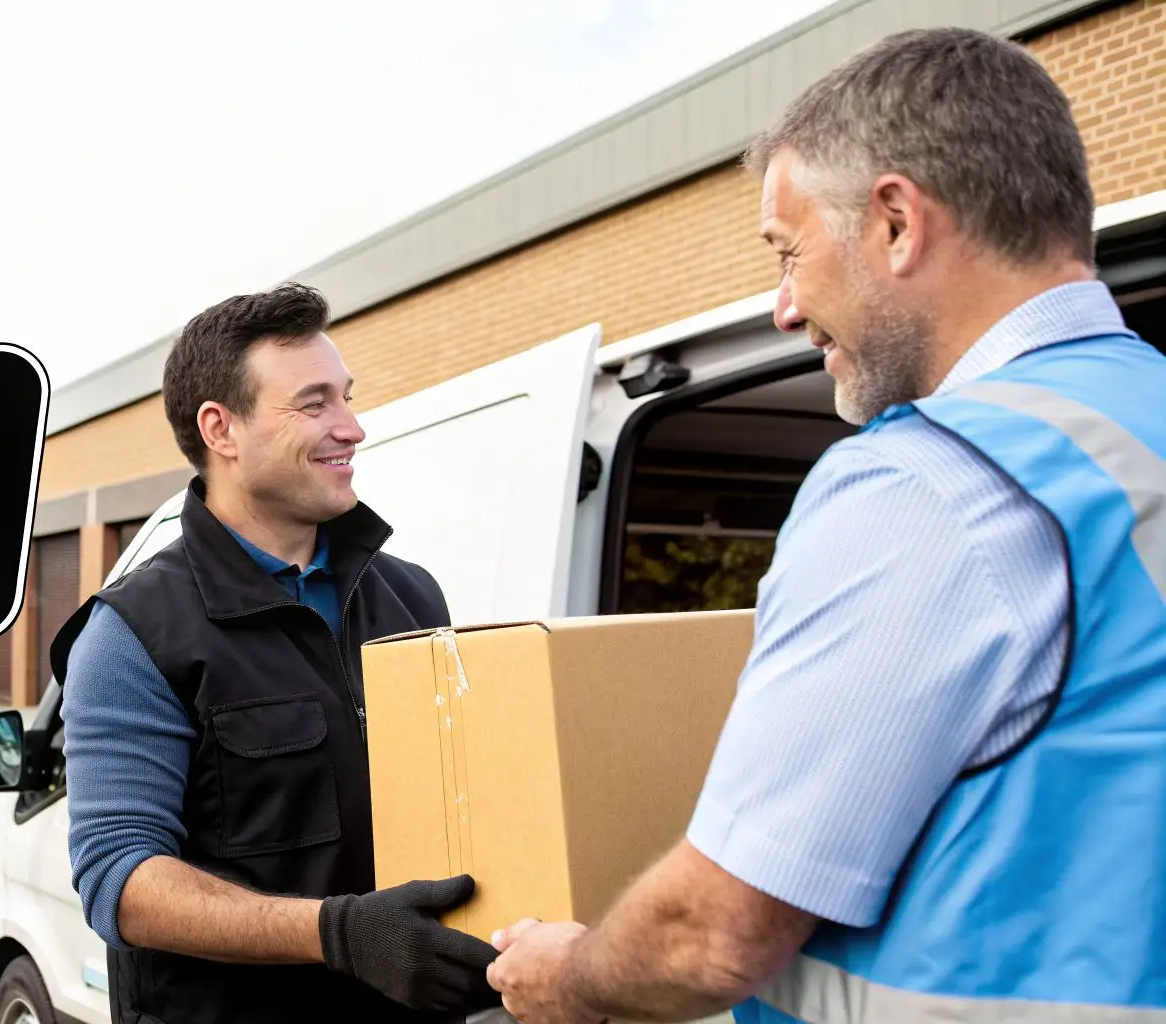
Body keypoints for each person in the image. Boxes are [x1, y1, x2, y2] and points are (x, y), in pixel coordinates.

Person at [485, 26, 1166, 1024]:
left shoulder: (924, 481)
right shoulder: (1134, 418)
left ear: (894, 222)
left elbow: (711, 935)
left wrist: (568, 974)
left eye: (787, 252)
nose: (781, 305)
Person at [48, 282, 502, 1024]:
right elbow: (118, 878)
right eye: (315, 403)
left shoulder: (416, 599)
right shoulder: (133, 634)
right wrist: (338, 934)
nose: (352, 428)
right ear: (220, 430)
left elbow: (462, 804)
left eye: (347, 398)